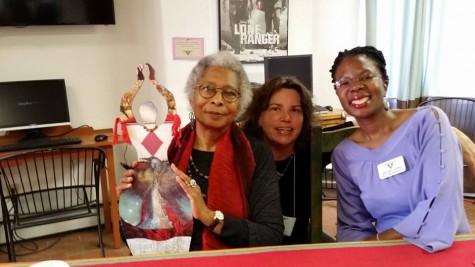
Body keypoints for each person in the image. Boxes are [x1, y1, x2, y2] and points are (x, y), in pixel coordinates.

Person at [116, 51, 284, 251]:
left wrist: (208, 216)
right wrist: (129, 203)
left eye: (229, 93)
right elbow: (137, 240)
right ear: (191, 97)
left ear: (240, 104)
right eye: (207, 89)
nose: (217, 100)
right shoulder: (170, 151)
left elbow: (271, 235)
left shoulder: (255, 154)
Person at [329, 45, 471, 252]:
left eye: (366, 77)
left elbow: (441, 200)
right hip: (386, 253)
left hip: (443, 245)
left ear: (385, 84)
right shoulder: (344, 154)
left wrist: (379, 242)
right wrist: (356, 252)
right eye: (344, 82)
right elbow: (352, 226)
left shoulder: (428, 121)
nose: (355, 87)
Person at [242, 76, 334, 244]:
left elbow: (359, 134)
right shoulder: (242, 157)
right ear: (259, 117)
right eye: (276, 109)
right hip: (253, 248)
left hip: (299, 243)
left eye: (295, 110)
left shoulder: (312, 154)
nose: (286, 118)